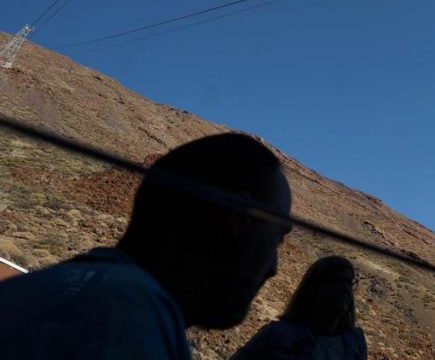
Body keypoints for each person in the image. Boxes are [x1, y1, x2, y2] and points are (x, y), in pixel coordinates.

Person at [0, 133, 293, 360]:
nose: (273, 268)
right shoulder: (129, 325)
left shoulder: (46, 290)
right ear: (238, 218)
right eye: (276, 238)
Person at [230, 255, 367, 360]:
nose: (345, 289)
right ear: (314, 288)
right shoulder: (279, 335)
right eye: (336, 281)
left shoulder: (354, 343)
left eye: (348, 282)